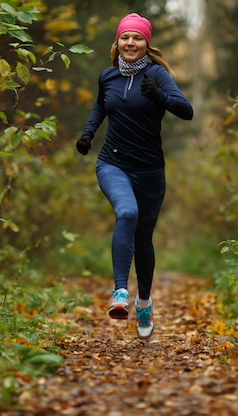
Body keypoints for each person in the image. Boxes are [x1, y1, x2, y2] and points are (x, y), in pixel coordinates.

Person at [76, 13, 193, 339]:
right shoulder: (107, 76)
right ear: (118, 43)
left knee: (143, 240)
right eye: (125, 37)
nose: (130, 42)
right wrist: (88, 134)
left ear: (146, 44)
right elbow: (101, 106)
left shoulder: (157, 74)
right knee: (126, 212)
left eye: (137, 38)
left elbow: (187, 111)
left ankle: (144, 301)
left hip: (150, 171)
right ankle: (119, 293)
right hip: (112, 163)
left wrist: (160, 96)